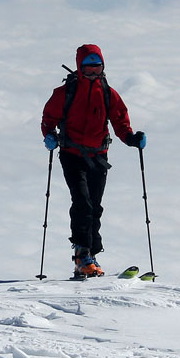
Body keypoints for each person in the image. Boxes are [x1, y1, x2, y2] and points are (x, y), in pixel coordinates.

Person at [41, 45, 146, 278]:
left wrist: (131, 138)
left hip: (98, 156)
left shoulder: (107, 93)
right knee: (83, 203)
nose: (93, 71)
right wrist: (49, 135)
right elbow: (49, 117)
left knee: (95, 206)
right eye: (88, 67)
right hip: (72, 154)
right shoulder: (66, 92)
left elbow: (120, 121)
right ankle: (82, 254)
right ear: (80, 66)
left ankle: (91, 254)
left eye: (97, 66)